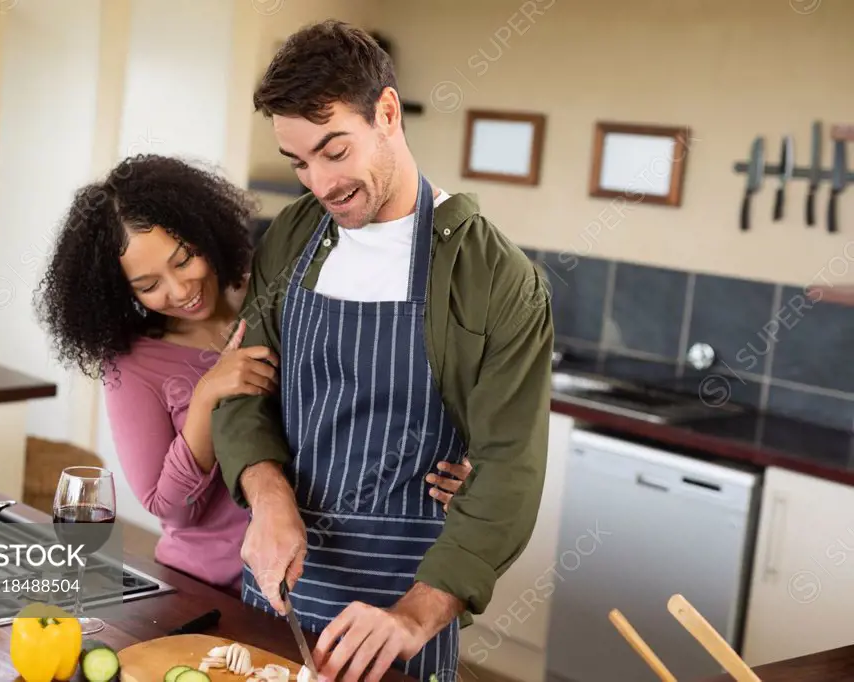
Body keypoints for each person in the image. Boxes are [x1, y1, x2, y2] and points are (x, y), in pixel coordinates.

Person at [210, 20, 553, 682]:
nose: (320, 184)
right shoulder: (293, 236)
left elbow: (510, 472)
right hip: (276, 593)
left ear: (387, 113)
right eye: (300, 162)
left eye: (334, 151)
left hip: (402, 611)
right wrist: (267, 489)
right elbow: (242, 387)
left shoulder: (496, 279)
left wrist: (413, 618)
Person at [34, 154, 472, 594]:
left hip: (322, 581)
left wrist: (458, 463)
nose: (180, 289)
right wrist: (207, 394)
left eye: (184, 259)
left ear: (203, 231)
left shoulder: (275, 293)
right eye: (149, 286)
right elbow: (172, 511)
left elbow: (368, 396)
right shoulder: (133, 365)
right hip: (209, 588)